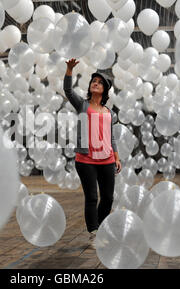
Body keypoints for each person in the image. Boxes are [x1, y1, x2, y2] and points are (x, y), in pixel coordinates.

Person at [63, 58, 122, 249]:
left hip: (106, 159)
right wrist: (69, 70)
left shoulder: (109, 113)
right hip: (86, 160)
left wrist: (117, 157)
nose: (95, 84)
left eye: (99, 82)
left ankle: (102, 228)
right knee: (92, 197)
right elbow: (68, 91)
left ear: (105, 89)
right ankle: (94, 232)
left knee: (108, 198)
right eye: (93, 81)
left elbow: (111, 136)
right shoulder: (82, 105)